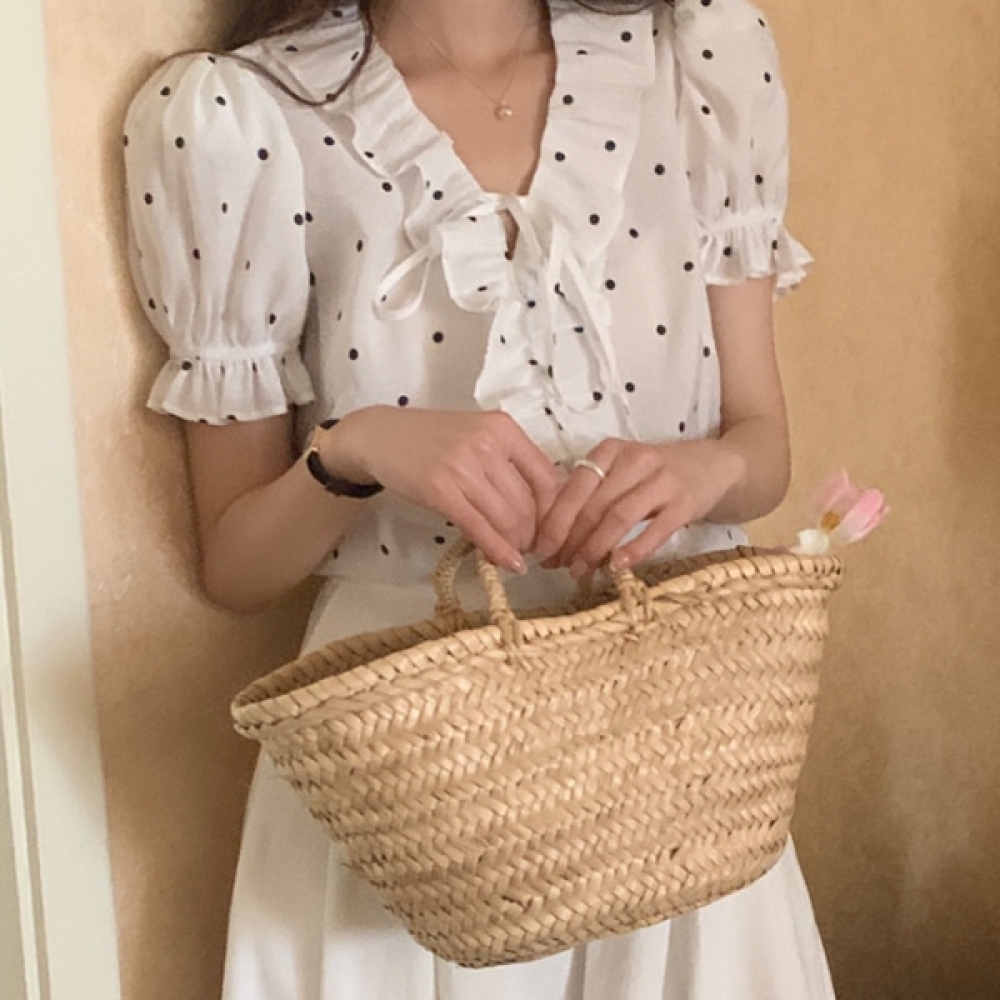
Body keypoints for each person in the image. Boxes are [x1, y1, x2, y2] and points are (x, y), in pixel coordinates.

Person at [123, 0, 835, 996]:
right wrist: (357, 449)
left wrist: (702, 471)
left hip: (676, 725)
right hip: (412, 763)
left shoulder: (694, 62)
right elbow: (236, 567)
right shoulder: (245, 113)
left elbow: (763, 449)